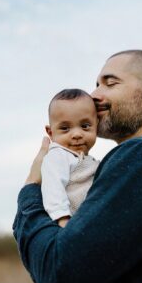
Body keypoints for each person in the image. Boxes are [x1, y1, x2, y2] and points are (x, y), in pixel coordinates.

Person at [13, 50, 142, 283]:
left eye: (110, 83)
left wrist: (30, 189)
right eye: (96, 85)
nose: (94, 95)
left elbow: (60, 273)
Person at [42, 88, 100, 227]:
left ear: (96, 125)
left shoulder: (86, 160)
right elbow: (53, 187)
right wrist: (63, 219)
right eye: (65, 128)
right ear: (51, 132)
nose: (77, 134)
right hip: (70, 224)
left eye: (85, 126)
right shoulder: (58, 155)